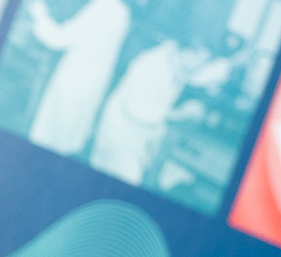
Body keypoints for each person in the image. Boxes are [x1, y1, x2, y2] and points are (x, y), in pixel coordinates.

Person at [26, 0, 132, 156]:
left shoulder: (100, 9)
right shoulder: (121, 11)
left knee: (50, 139)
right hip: (92, 85)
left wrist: (39, 13)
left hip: (73, 83)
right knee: (69, 139)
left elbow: (59, 38)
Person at [90, 39, 230, 186]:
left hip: (135, 132)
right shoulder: (152, 65)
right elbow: (136, 109)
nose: (200, 67)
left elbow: (198, 77)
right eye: (200, 61)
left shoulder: (177, 63)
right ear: (188, 52)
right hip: (122, 130)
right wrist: (179, 114)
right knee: (124, 180)